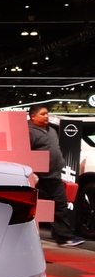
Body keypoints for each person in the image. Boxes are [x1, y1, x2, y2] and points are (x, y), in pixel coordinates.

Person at [28, 105, 84, 247]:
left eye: (47, 113)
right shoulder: (28, 131)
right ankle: (29, 239)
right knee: (35, 209)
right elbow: (26, 154)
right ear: (33, 116)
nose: (46, 116)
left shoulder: (52, 130)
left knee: (60, 205)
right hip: (38, 178)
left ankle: (64, 238)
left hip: (54, 176)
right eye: (42, 114)